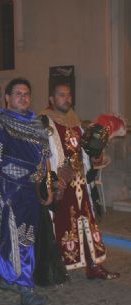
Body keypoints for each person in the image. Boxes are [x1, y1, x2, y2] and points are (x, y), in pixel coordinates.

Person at [0, 77, 53, 305]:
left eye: (27, 93)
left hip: (31, 195)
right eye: (18, 93)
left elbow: (45, 159)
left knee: (25, 239)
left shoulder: (37, 124)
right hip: (8, 193)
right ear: (7, 98)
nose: (23, 97)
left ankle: (14, 278)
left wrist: (47, 186)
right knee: (18, 240)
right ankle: (25, 287)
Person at [40, 82, 120, 280]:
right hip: (60, 184)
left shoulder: (75, 121)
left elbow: (87, 154)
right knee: (58, 224)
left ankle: (94, 266)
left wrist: (97, 152)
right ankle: (58, 268)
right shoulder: (43, 121)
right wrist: (52, 182)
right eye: (61, 95)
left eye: (68, 95)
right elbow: (40, 157)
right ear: (52, 99)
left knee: (87, 223)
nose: (66, 99)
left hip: (80, 182)